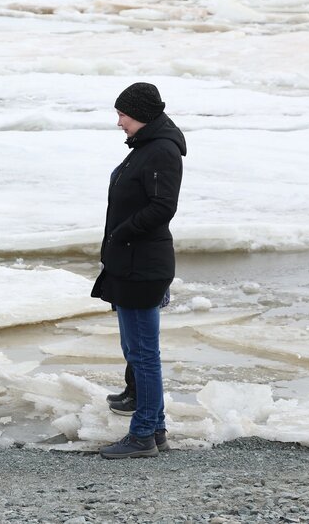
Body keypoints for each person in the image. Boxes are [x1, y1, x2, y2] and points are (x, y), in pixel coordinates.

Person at [91, 83, 186, 459]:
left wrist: (123, 232)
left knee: (144, 354)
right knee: (136, 350)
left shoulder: (161, 151)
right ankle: (156, 428)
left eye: (123, 115)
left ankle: (143, 435)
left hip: (144, 265)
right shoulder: (145, 148)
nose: (119, 123)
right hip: (129, 262)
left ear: (141, 115)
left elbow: (163, 207)